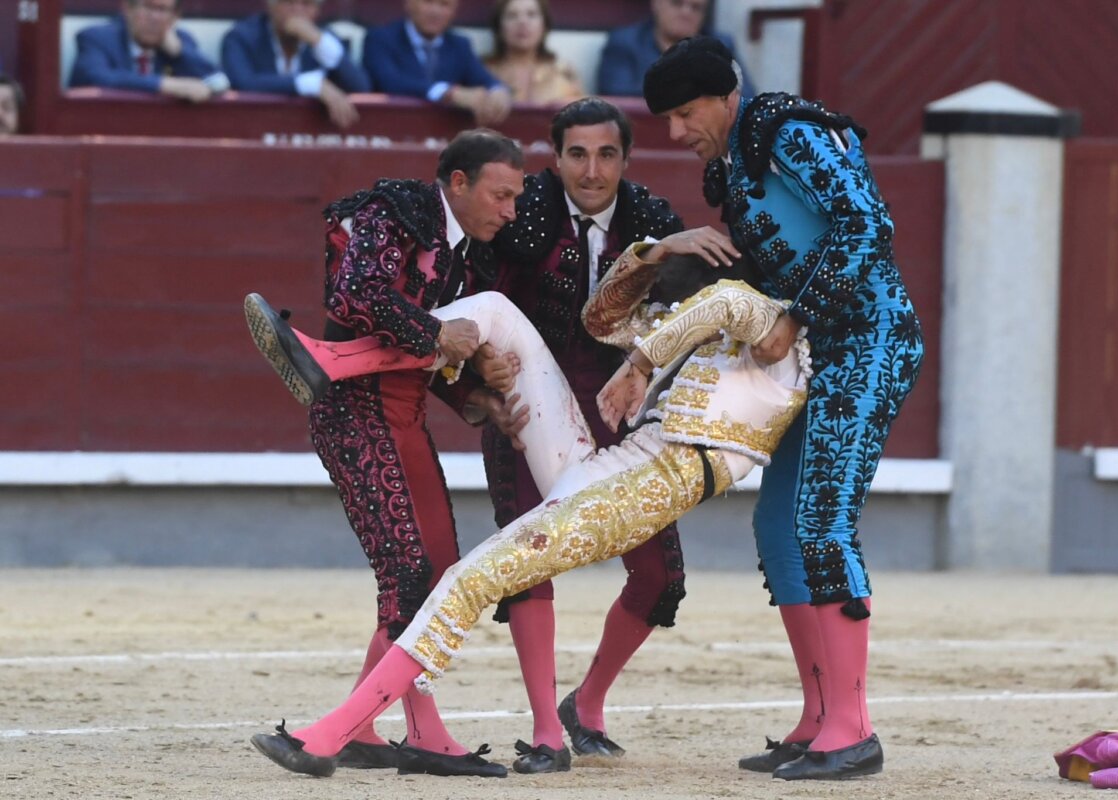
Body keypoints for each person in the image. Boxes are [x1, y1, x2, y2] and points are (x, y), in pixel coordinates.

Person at [243, 225, 814, 780]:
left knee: (468, 579)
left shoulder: (772, 330)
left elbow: (729, 303)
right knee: (492, 309)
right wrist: (654, 252)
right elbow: (601, 318)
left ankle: (332, 734)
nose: (672, 308)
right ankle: (334, 360)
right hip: (595, 468)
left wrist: (639, 365)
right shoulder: (698, 331)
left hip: (637, 491)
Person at [641, 36, 925, 780]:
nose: (676, 131)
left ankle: (852, 729)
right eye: (666, 118)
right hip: (817, 351)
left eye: (684, 112)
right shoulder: (733, 162)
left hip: (868, 338)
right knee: (779, 521)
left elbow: (867, 223)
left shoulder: (785, 131)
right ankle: (820, 714)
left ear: (726, 95)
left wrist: (798, 314)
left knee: (821, 517)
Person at [245, 128, 528, 778]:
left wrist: (475, 400)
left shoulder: (468, 254)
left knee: (439, 574)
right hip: (355, 416)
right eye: (501, 194)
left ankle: (369, 726)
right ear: (458, 184)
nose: (510, 210)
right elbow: (355, 295)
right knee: (412, 578)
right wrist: (437, 331)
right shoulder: (394, 211)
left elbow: (431, 353)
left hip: (404, 415)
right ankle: (416, 734)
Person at [481, 96, 685, 772]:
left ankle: (586, 704)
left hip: (619, 405)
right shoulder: (524, 209)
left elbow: (687, 318)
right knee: (530, 556)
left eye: (606, 155)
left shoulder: (654, 219)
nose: (591, 171)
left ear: (625, 158)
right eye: (576, 154)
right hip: (527, 402)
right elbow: (477, 301)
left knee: (658, 575)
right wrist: (483, 393)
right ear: (556, 155)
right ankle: (545, 729)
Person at [220, 0, 371, 130]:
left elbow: (360, 86)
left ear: (317, 10)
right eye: (289, 2)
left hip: (310, 137)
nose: (297, 11)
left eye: (307, 3)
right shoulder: (242, 37)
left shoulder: (325, 39)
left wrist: (318, 41)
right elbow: (242, 82)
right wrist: (312, 84)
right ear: (271, 6)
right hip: (253, 129)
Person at [364, 0, 512, 126]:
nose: (435, 11)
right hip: (392, 129)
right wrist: (447, 93)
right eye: (428, 2)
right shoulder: (380, 39)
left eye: (444, 4)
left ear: (454, 10)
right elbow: (390, 82)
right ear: (408, 3)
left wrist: (497, 90)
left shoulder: (460, 45)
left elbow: (484, 79)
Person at [68, 0, 230, 102]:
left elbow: (218, 80)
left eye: (163, 9)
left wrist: (180, 53)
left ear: (175, 17)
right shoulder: (97, 38)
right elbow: (97, 77)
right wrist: (164, 84)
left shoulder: (181, 42)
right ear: (127, 8)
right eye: (148, 7)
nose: (155, 17)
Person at [596, 0, 754, 98]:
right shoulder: (625, 42)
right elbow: (618, 97)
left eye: (696, 7)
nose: (686, 12)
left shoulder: (721, 46)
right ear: (656, 3)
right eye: (677, 3)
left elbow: (745, 97)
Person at [482, 0, 583, 106]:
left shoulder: (563, 72)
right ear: (499, 28)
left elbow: (581, 118)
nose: (522, 22)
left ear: (544, 26)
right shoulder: (482, 71)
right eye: (512, 15)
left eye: (531, 14)